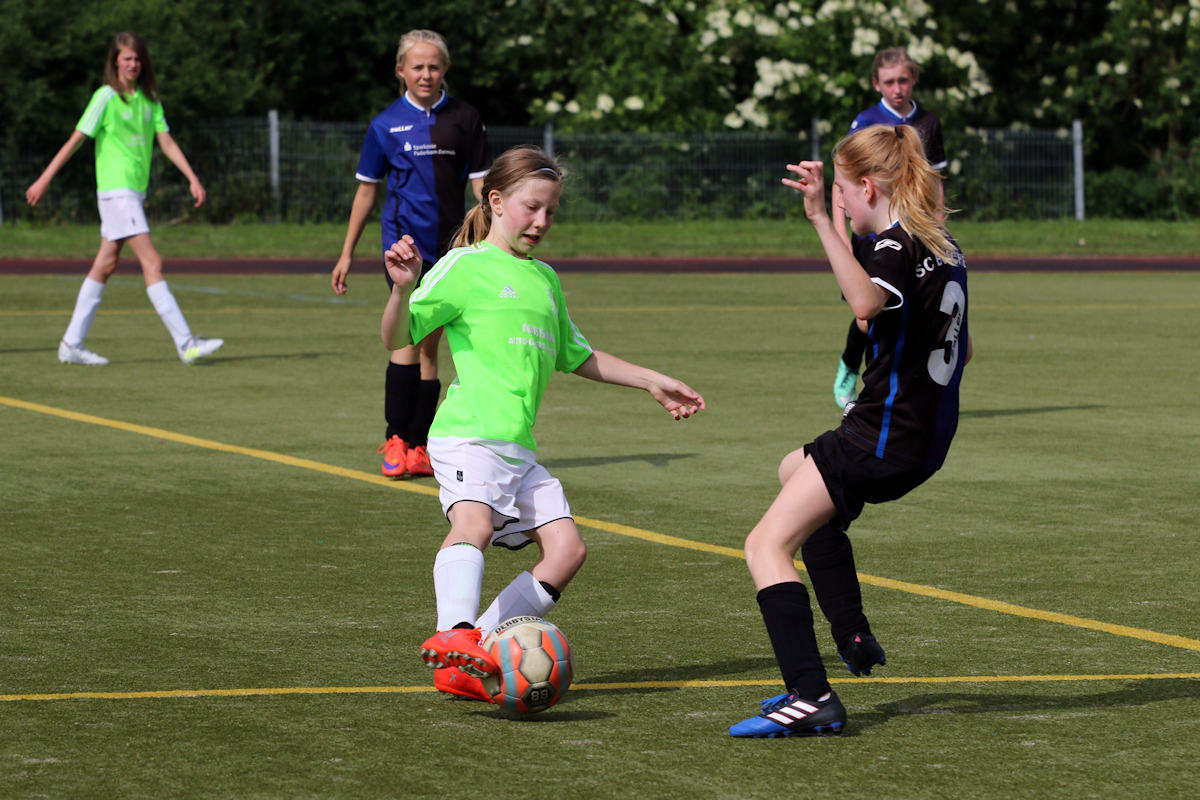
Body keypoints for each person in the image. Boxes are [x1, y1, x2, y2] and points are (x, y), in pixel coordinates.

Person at [379, 146, 706, 702]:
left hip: (516, 448)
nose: (541, 222)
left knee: (567, 550)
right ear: (497, 200)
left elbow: (577, 355)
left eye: (551, 212)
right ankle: (454, 632)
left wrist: (652, 379)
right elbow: (397, 339)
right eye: (532, 208)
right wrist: (401, 288)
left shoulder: (545, 280)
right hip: (467, 435)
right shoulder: (465, 266)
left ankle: (472, 649)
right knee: (475, 525)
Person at [729, 124, 971, 737]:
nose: (840, 205)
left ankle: (810, 695)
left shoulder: (894, 246)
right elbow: (962, 353)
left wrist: (817, 222)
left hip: (881, 439)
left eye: (842, 193)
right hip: (922, 443)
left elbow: (863, 303)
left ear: (867, 186)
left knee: (765, 546)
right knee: (795, 474)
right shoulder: (942, 244)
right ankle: (853, 633)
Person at [332, 29, 491, 479]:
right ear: (401, 70)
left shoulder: (465, 118)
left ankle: (420, 446)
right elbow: (367, 192)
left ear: (445, 70)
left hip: (451, 247)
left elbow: (483, 188)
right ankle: (395, 438)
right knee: (405, 337)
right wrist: (346, 253)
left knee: (430, 346)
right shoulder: (384, 124)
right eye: (417, 66)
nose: (426, 74)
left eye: (434, 66)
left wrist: (492, 233)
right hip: (402, 251)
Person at [25, 31, 222, 366]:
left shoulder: (150, 100)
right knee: (152, 263)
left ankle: (71, 344)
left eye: (137, 58)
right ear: (115, 62)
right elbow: (76, 139)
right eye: (127, 58)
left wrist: (192, 178)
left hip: (132, 194)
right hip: (117, 193)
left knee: (105, 265)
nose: (133, 64)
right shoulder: (104, 97)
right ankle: (186, 343)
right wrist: (45, 178)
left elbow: (167, 143)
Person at [835, 47, 948, 408]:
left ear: (913, 79)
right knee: (867, 318)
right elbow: (844, 182)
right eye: (889, 82)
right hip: (873, 236)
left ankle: (898, 389)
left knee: (908, 311)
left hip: (914, 233)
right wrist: (841, 237)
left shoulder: (929, 122)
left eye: (903, 80)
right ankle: (851, 367)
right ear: (876, 84)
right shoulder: (866, 120)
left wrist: (939, 226)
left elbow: (935, 179)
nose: (897, 88)